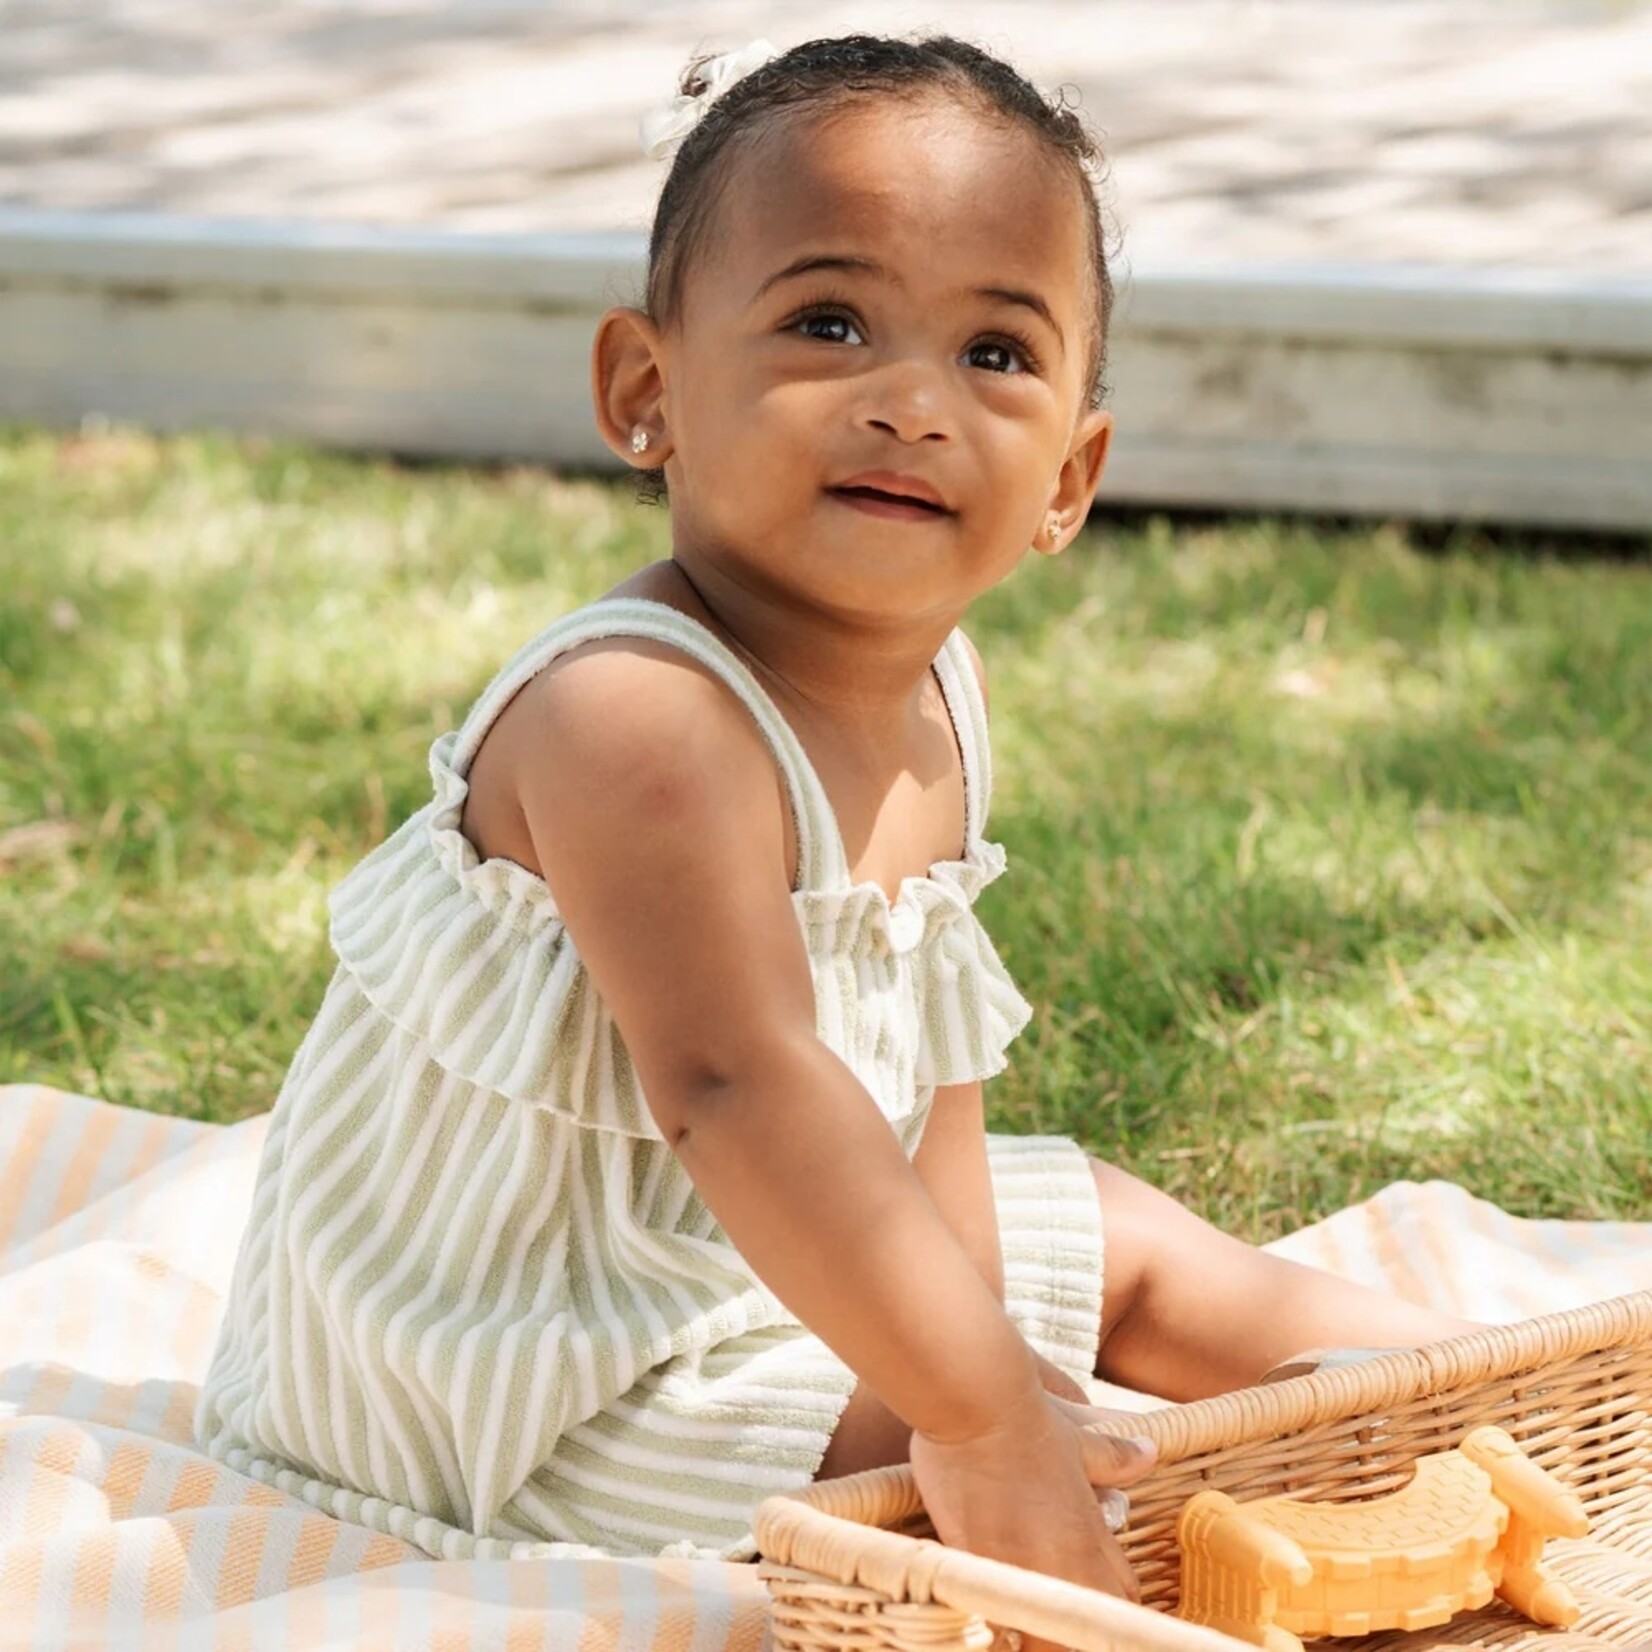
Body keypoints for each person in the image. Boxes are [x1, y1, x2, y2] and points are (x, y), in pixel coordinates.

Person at [195, 32, 1478, 1608]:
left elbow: (933, 1068)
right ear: (646, 391)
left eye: (995, 355)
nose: (910, 402)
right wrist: (976, 1401)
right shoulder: (637, 723)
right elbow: (736, 1087)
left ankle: (1477, 1389)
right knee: (943, 1447)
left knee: (1110, 1244)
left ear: (1069, 480)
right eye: (828, 322)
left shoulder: (939, 700)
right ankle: (1202, 1526)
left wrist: (987, 1341)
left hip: (739, 1256)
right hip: (518, 1365)